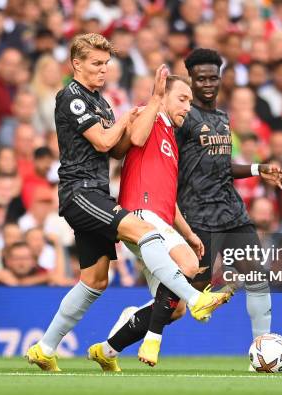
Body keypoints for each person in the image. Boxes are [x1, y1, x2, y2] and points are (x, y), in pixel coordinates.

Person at [25, 34, 231, 373]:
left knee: (95, 281)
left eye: (106, 64)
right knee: (143, 230)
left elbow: (120, 150)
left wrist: (127, 121)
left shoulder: (101, 103)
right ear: (77, 64)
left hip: (99, 194)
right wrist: (129, 117)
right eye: (96, 63)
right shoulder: (72, 97)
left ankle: (45, 349)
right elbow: (105, 141)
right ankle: (195, 298)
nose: (103, 70)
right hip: (80, 192)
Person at [106, 48, 282, 372]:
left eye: (213, 77)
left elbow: (218, 166)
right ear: (191, 81)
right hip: (196, 215)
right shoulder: (181, 116)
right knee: (182, 300)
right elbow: (153, 146)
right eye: (201, 78)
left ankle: (262, 356)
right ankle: (127, 330)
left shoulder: (221, 118)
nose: (207, 83)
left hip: (231, 212)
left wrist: (256, 169)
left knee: (258, 278)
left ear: (220, 79)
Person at [87, 70, 205, 370]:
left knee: (173, 309)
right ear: (163, 96)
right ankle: (153, 338)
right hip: (140, 214)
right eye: (181, 98)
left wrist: (188, 232)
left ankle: (107, 350)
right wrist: (154, 99)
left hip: (158, 217)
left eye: (190, 102)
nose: (187, 107)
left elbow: (169, 198)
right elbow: (136, 138)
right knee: (188, 265)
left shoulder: (171, 140)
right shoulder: (149, 116)